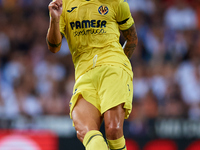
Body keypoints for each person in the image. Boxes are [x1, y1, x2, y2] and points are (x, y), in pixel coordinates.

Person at [46, 0, 138, 149]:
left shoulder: (116, 3)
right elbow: (54, 47)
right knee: (87, 134)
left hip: (112, 67)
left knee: (113, 130)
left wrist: (120, 65)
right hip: (84, 75)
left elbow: (132, 39)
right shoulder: (64, 5)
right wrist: (55, 19)